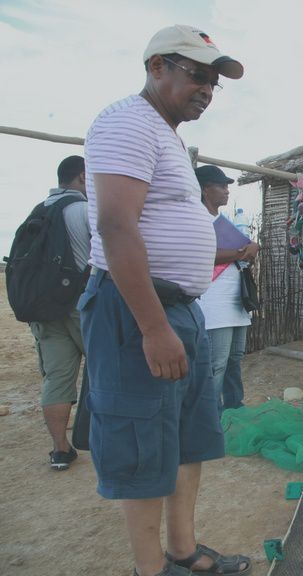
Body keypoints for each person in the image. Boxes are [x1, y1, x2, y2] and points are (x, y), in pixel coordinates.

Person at [79, 26, 250, 576]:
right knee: (143, 447)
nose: (205, 88)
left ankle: (184, 553)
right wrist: (153, 327)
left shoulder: (166, 134)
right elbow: (114, 224)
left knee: (188, 439)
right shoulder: (128, 121)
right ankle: (151, 569)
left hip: (179, 307)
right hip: (138, 309)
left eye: (212, 82)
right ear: (156, 67)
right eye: (196, 74)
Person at [28, 155, 90, 470]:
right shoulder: (82, 210)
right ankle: (103, 438)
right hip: (80, 306)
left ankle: (60, 450)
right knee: (107, 370)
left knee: (57, 378)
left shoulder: (39, 212)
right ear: (82, 176)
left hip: (44, 309)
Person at [196, 165, 259, 410]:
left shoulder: (224, 221)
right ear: (204, 189)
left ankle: (235, 407)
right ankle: (210, 415)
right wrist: (240, 252)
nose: (226, 191)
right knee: (217, 362)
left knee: (234, 358)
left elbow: (243, 251)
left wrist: (251, 248)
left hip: (236, 300)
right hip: (213, 302)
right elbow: (201, 255)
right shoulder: (196, 219)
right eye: (221, 186)